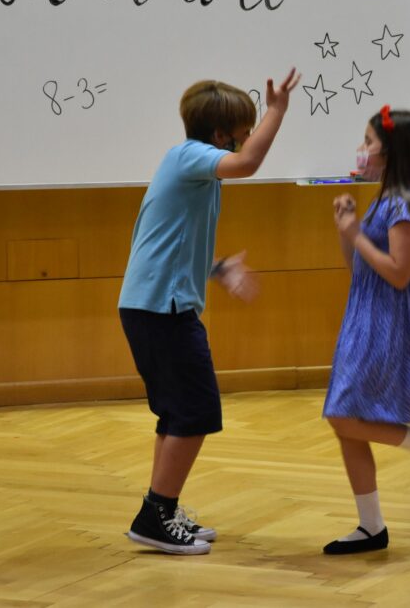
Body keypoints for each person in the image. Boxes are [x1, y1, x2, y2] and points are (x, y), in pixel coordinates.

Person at [118, 68, 300, 554]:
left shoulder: (189, 165)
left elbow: (169, 241)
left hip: (152, 306)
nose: (246, 135)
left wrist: (216, 267)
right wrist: (278, 111)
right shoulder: (192, 158)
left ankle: (163, 509)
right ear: (220, 135)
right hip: (162, 310)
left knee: (176, 414)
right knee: (196, 413)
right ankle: (155, 514)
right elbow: (249, 162)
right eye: (242, 128)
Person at [322, 105, 410, 555]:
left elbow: (400, 273)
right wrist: (348, 232)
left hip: (388, 318)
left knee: (344, 414)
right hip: (365, 310)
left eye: (369, 142)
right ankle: (370, 526)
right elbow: (359, 267)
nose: (362, 150)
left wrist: (356, 233)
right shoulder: (385, 198)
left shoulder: (406, 205)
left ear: (391, 151)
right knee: (347, 421)